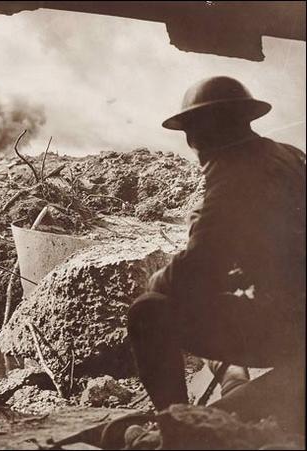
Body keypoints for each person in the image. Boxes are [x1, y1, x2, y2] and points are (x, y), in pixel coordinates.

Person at [127, 77, 306, 418]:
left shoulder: (234, 173)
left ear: (199, 135)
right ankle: (234, 381)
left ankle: (178, 421)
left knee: (148, 310)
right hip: (295, 314)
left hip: (290, 330)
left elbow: (196, 268)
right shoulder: (289, 156)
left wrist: (158, 280)